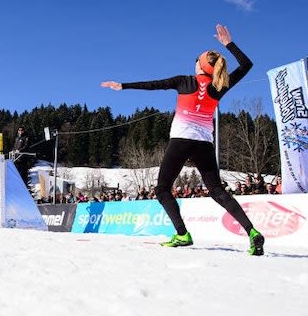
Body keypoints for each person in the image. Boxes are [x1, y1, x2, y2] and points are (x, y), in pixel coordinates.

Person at [101, 24, 265, 256]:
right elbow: (247, 65)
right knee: (217, 190)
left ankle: (182, 234)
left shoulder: (184, 81)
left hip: (180, 139)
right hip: (204, 143)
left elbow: (154, 85)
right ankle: (252, 232)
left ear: (199, 65)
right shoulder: (219, 86)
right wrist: (229, 44)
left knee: (162, 189)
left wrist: (123, 86)